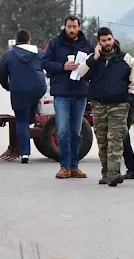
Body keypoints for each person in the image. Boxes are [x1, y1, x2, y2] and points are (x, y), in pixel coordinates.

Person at [78, 27, 134, 186]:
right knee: (102, 139)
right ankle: (106, 172)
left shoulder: (125, 58)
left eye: (109, 39)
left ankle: (114, 172)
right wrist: (95, 58)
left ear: (113, 39)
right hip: (99, 104)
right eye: (103, 40)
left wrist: (130, 98)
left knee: (115, 138)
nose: (107, 43)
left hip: (119, 105)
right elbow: (81, 73)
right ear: (99, 42)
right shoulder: (94, 59)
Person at [42, 15, 93, 179]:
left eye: (74, 26)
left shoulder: (87, 44)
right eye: (69, 26)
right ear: (65, 27)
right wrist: (62, 66)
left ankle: (74, 166)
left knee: (76, 132)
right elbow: (45, 63)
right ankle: (64, 166)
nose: (72, 30)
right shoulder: (55, 43)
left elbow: (94, 65)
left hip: (80, 93)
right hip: (62, 93)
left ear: (79, 27)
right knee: (62, 130)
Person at [0, 29, 47, 164]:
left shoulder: (9, 54)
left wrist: (8, 86)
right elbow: (48, 65)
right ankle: (32, 117)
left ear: (16, 41)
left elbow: (1, 73)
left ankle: (25, 154)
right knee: (29, 111)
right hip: (38, 88)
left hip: (19, 90)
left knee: (21, 121)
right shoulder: (39, 52)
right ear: (29, 40)